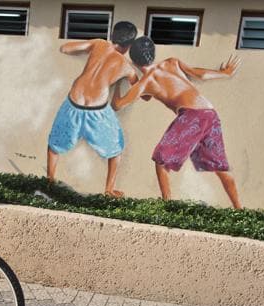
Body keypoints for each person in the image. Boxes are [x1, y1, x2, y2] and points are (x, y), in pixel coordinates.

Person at [112, 37, 242, 209]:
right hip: (210, 113)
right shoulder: (171, 63)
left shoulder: (146, 82)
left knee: (161, 161)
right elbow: (200, 74)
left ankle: (168, 207)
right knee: (219, 166)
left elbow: (118, 105)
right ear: (153, 53)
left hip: (192, 116)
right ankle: (239, 208)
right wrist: (224, 73)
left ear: (134, 60)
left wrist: (117, 84)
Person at [47, 21, 138, 197]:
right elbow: (139, 89)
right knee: (117, 148)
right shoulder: (126, 66)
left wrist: (88, 48)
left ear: (113, 35)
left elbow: (65, 48)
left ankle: (49, 181)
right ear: (129, 46)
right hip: (97, 111)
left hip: (74, 102)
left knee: (54, 146)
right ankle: (109, 189)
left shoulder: (99, 43)